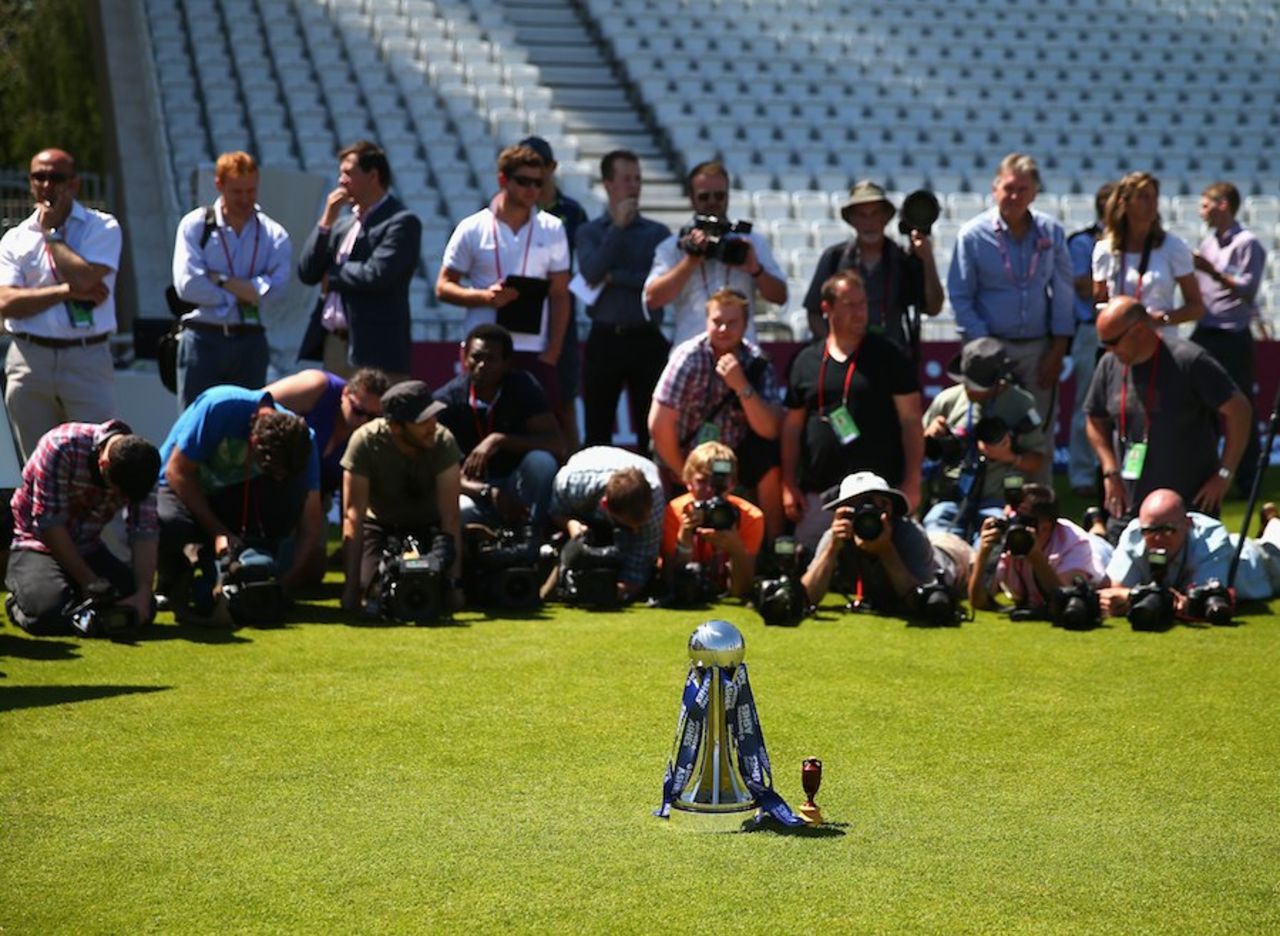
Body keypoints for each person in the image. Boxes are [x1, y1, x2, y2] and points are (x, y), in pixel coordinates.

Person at [947, 152, 1073, 486]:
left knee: (1038, 427)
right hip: (988, 348)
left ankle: (1038, 502)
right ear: (994, 190)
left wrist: (1059, 346)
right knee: (987, 426)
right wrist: (984, 349)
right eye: (1008, 188)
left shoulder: (1051, 231)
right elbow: (960, 296)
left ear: (1034, 192)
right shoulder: (973, 235)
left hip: (1037, 348)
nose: (1014, 196)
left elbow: (1063, 290)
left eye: (1022, 189)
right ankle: (982, 498)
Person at [782, 270, 924, 551]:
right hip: (819, 494)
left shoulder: (889, 356)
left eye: (863, 304)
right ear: (827, 308)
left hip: (879, 494)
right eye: (850, 305)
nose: (860, 313)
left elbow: (911, 421)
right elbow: (792, 427)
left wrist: (912, 480)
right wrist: (788, 484)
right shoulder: (806, 360)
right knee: (812, 565)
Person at [156, 386, 325, 619]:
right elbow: (177, 472)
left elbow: (311, 517)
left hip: (231, 496)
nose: (277, 477)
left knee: (290, 496)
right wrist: (219, 532)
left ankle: (249, 563)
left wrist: (285, 581)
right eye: (271, 469)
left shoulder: (306, 441)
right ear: (254, 440)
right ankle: (174, 579)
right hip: (177, 486)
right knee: (170, 523)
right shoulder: (219, 407)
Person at [1084, 296, 1251, 529]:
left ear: (1139, 330)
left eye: (1113, 342)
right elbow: (1094, 418)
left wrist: (1224, 474)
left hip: (1188, 513)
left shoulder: (1189, 360)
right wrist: (1110, 469)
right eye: (1104, 343)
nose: (1108, 350)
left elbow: (1239, 411)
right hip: (1127, 512)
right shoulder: (1109, 364)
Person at [0, 148, 121, 459]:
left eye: (56, 177)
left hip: (85, 357)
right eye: (39, 177)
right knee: (38, 464)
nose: (47, 185)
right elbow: (6, 302)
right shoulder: (15, 238)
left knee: (96, 460)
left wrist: (52, 235)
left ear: (74, 184)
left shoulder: (102, 227)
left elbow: (86, 280)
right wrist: (66, 292)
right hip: (30, 359)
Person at [436, 144, 571, 420]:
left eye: (538, 182)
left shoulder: (553, 228)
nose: (532, 189)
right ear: (502, 180)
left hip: (534, 348)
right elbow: (443, 286)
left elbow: (560, 294)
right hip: (484, 351)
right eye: (523, 181)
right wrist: (485, 297)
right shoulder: (472, 227)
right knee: (478, 423)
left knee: (540, 426)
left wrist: (553, 352)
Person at [649, 287, 783, 535]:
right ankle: (665, 544)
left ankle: (774, 543)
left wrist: (741, 386)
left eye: (732, 323)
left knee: (769, 456)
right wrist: (684, 473)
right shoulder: (688, 357)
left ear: (745, 325)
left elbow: (770, 429)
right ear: (706, 321)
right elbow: (658, 425)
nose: (723, 329)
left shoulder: (757, 361)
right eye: (717, 321)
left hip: (733, 458)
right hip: (686, 456)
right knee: (657, 465)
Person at [5, 422, 159, 635]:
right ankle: (18, 602)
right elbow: (50, 525)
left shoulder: (143, 465)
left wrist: (143, 593)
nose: (122, 498)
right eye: (118, 491)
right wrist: (89, 582)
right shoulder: (60, 447)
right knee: (48, 615)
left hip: (88, 545)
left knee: (144, 606)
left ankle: (72, 598)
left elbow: (145, 532)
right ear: (103, 463)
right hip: (36, 543)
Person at [170, 151, 292, 409]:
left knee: (247, 422)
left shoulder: (273, 233)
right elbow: (188, 286)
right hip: (203, 337)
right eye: (237, 192)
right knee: (197, 420)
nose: (245, 199)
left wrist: (221, 280)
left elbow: (278, 290)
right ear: (219, 185)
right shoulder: (196, 225)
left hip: (251, 339)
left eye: (251, 191)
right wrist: (247, 291)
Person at [297, 140, 421, 382]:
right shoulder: (343, 224)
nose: (341, 181)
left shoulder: (401, 222)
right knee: (336, 406)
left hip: (377, 348)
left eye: (348, 173)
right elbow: (308, 272)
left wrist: (332, 276)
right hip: (335, 343)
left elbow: (377, 274)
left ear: (373, 175)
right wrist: (326, 221)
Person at [340, 380, 463, 613]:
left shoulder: (443, 440)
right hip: (380, 526)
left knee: (434, 591)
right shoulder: (364, 442)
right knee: (373, 592)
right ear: (396, 427)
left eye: (433, 416)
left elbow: (451, 516)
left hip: (429, 527)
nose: (433, 425)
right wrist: (352, 588)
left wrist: (454, 586)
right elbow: (353, 516)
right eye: (423, 421)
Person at [577, 149, 671, 451]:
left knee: (652, 433)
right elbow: (591, 272)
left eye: (638, 179)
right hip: (605, 338)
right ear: (608, 184)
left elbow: (657, 283)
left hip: (647, 337)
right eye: (627, 179)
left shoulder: (658, 233)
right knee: (597, 432)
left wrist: (616, 277)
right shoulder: (590, 232)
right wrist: (617, 228)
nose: (634, 186)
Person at [433, 324, 561, 534]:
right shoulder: (447, 401)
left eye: (491, 359)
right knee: (461, 511)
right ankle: (474, 550)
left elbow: (556, 444)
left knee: (541, 462)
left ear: (507, 363)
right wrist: (487, 492)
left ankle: (536, 536)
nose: (482, 365)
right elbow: (437, 473)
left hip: (517, 486)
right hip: (473, 491)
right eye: (476, 357)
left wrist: (499, 440)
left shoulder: (524, 387)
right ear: (464, 358)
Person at [644, 160, 787, 347]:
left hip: (741, 351)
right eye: (704, 197)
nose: (712, 202)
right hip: (692, 351)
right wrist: (690, 262)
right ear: (692, 198)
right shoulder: (673, 246)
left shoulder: (751, 242)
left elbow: (780, 297)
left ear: (728, 196)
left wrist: (756, 270)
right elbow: (652, 300)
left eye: (719, 196)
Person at [921, 337, 1047, 537]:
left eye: (976, 386)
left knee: (994, 542)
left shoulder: (1021, 405)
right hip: (951, 496)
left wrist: (1009, 456)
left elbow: (1037, 462)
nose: (969, 390)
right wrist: (929, 435)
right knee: (937, 537)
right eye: (966, 383)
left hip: (998, 499)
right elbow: (916, 449)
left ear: (997, 383)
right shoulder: (947, 400)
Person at [800, 471, 970, 614]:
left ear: (890, 508)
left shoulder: (911, 534)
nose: (868, 513)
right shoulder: (836, 536)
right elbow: (805, 598)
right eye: (858, 505)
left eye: (879, 504)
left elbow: (924, 601)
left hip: (955, 558)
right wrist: (831, 550)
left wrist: (886, 550)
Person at [801, 180, 943, 348]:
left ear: (885, 218)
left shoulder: (902, 259)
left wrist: (927, 259)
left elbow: (933, 308)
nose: (869, 222)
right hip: (845, 355)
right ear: (852, 220)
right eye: (862, 215)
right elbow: (814, 313)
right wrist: (836, 348)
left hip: (891, 355)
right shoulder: (834, 258)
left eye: (875, 214)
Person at [1192, 181, 1268, 497]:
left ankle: (1248, 480)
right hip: (1205, 331)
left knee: (1240, 406)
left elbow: (1247, 289)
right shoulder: (1209, 242)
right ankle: (1204, 476)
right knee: (1200, 405)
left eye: (1205, 204)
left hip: (1232, 334)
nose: (1201, 212)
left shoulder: (1248, 244)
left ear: (1222, 205)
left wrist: (1211, 271)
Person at [1098, 488, 1280, 618]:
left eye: (1168, 530)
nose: (1158, 538)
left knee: (1274, 547)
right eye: (1150, 531)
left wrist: (1136, 596)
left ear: (1187, 524)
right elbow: (1116, 590)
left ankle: (1273, 523)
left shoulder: (1212, 539)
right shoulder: (1134, 535)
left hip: (1258, 565)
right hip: (1229, 552)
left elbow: (1201, 600)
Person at [521, 135, 588, 451]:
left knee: (564, 400)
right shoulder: (515, 211)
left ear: (552, 167)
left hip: (561, 318)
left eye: (539, 166)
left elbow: (588, 266)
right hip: (523, 316)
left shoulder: (573, 212)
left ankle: (573, 468)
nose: (533, 175)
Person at [1092, 171, 1203, 339]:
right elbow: (1099, 302)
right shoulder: (1105, 249)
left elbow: (1196, 307)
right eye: (1143, 197)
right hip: (1120, 344)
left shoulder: (1173, 247)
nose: (1152, 204)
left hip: (1160, 342)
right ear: (1124, 203)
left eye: (1154, 197)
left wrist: (1161, 319)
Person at [969, 483, 1110, 612]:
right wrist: (983, 554)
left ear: (1046, 526)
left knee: (1098, 538)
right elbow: (978, 602)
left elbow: (1064, 600)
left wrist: (1035, 556)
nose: (1016, 527)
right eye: (1012, 519)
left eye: (1024, 521)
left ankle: (1096, 522)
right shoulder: (1007, 539)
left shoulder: (1075, 544)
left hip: (1099, 553)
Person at [550, 446, 665, 601]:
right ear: (605, 504)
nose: (636, 531)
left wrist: (616, 591)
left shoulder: (655, 502)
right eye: (627, 525)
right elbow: (554, 512)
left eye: (641, 524)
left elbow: (639, 566)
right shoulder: (571, 485)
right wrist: (570, 524)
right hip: (582, 484)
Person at [260, 367, 389, 502]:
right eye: (358, 410)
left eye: (372, 417)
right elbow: (255, 403)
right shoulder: (318, 387)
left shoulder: (373, 434)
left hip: (311, 497)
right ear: (345, 392)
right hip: (267, 473)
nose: (363, 421)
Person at [661, 441, 764, 599]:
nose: (710, 490)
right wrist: (685, 539)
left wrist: (736, 549)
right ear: (688, 481)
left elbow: (741, 591)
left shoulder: (750, 516)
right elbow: (670, 581)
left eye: (719, 483)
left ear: (733, 483)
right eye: (702, 481)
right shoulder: (676, 511)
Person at [1065, 182, 1115, 496]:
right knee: (1088, 403)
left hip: (1124, 333)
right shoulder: (1082, 241)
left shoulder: (1135, 243)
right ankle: (1082, 474)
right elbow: (1084, 287)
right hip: (1090, 329)